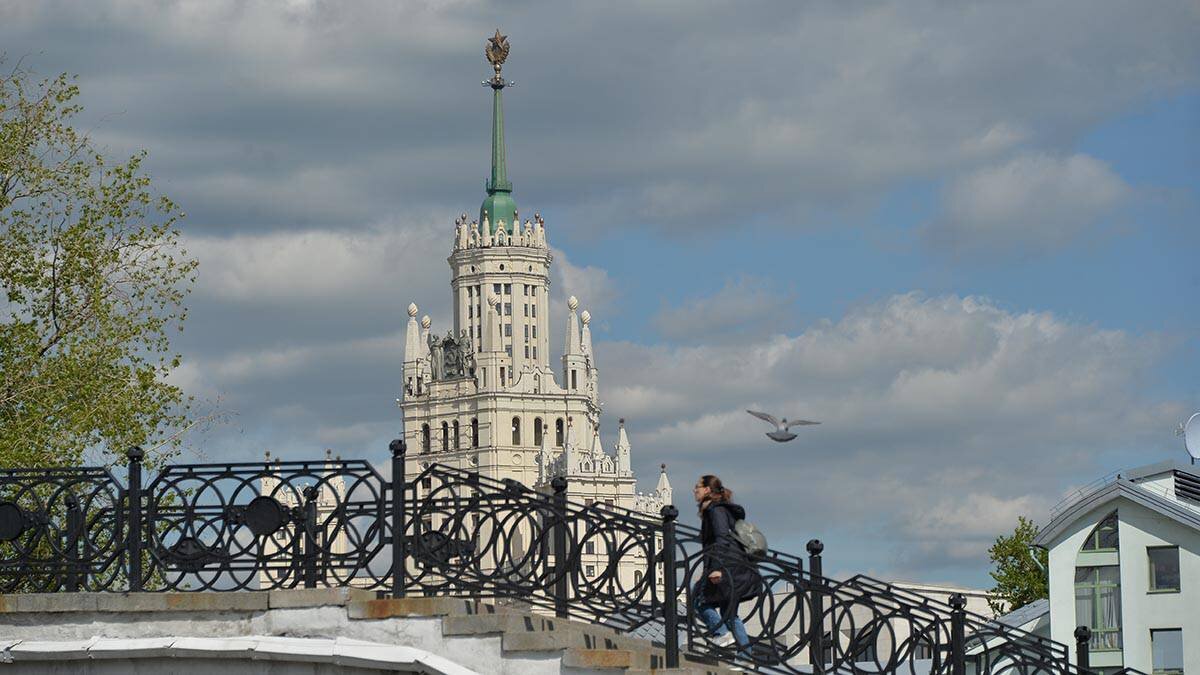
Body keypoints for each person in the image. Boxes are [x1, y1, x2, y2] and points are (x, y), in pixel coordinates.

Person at [693, 474, 761, 662]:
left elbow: (721, 540)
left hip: (729, 568)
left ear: (707, 489)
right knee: (729, 613)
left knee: (698, 598)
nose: (694, 490)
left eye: (697, 487)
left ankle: (721, 633)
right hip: (736, 568)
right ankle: (746, 659)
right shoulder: (716, 510)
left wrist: (717, 569)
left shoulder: (716, 510)